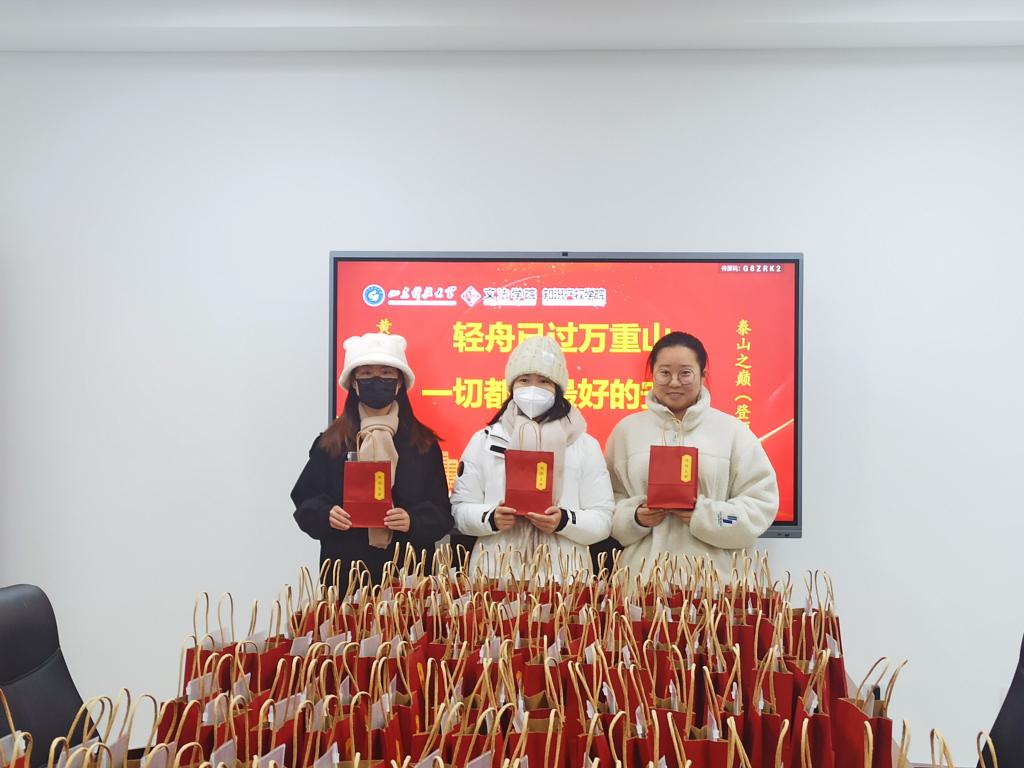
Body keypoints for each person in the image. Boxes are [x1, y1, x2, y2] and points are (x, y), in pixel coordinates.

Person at [606, 331, 778, 577]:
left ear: (703, 375)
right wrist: (634, 517)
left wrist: (705, 516)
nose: (674, 382)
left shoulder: (733, 431)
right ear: (652, 374)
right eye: (665, 373)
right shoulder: (626, 431)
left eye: (685, 373)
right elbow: (606, 504)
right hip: (641, 580)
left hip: (714, 582)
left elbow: (760, 506)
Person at [291, 332, 453, 590]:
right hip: (347, 571)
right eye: (366, 374)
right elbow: (305, 499)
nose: (377, 381)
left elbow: (442, 513)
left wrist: (413, 520)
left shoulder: (422, 444)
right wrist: (326, 514)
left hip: (408, 572)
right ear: (353, 383)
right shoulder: (332, 442)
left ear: (399, 383)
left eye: (386, 374)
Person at [451, 336, 614, 581]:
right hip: (495, 575)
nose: (533, 388)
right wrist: (491, 518)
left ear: (558, 388)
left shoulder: (584, 445)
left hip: (564, 578)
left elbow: (603, 519)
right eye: (524, 380)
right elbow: (460, 510)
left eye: (544, 381)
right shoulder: (485, 440)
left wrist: (564, 521)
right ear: (512, 386)